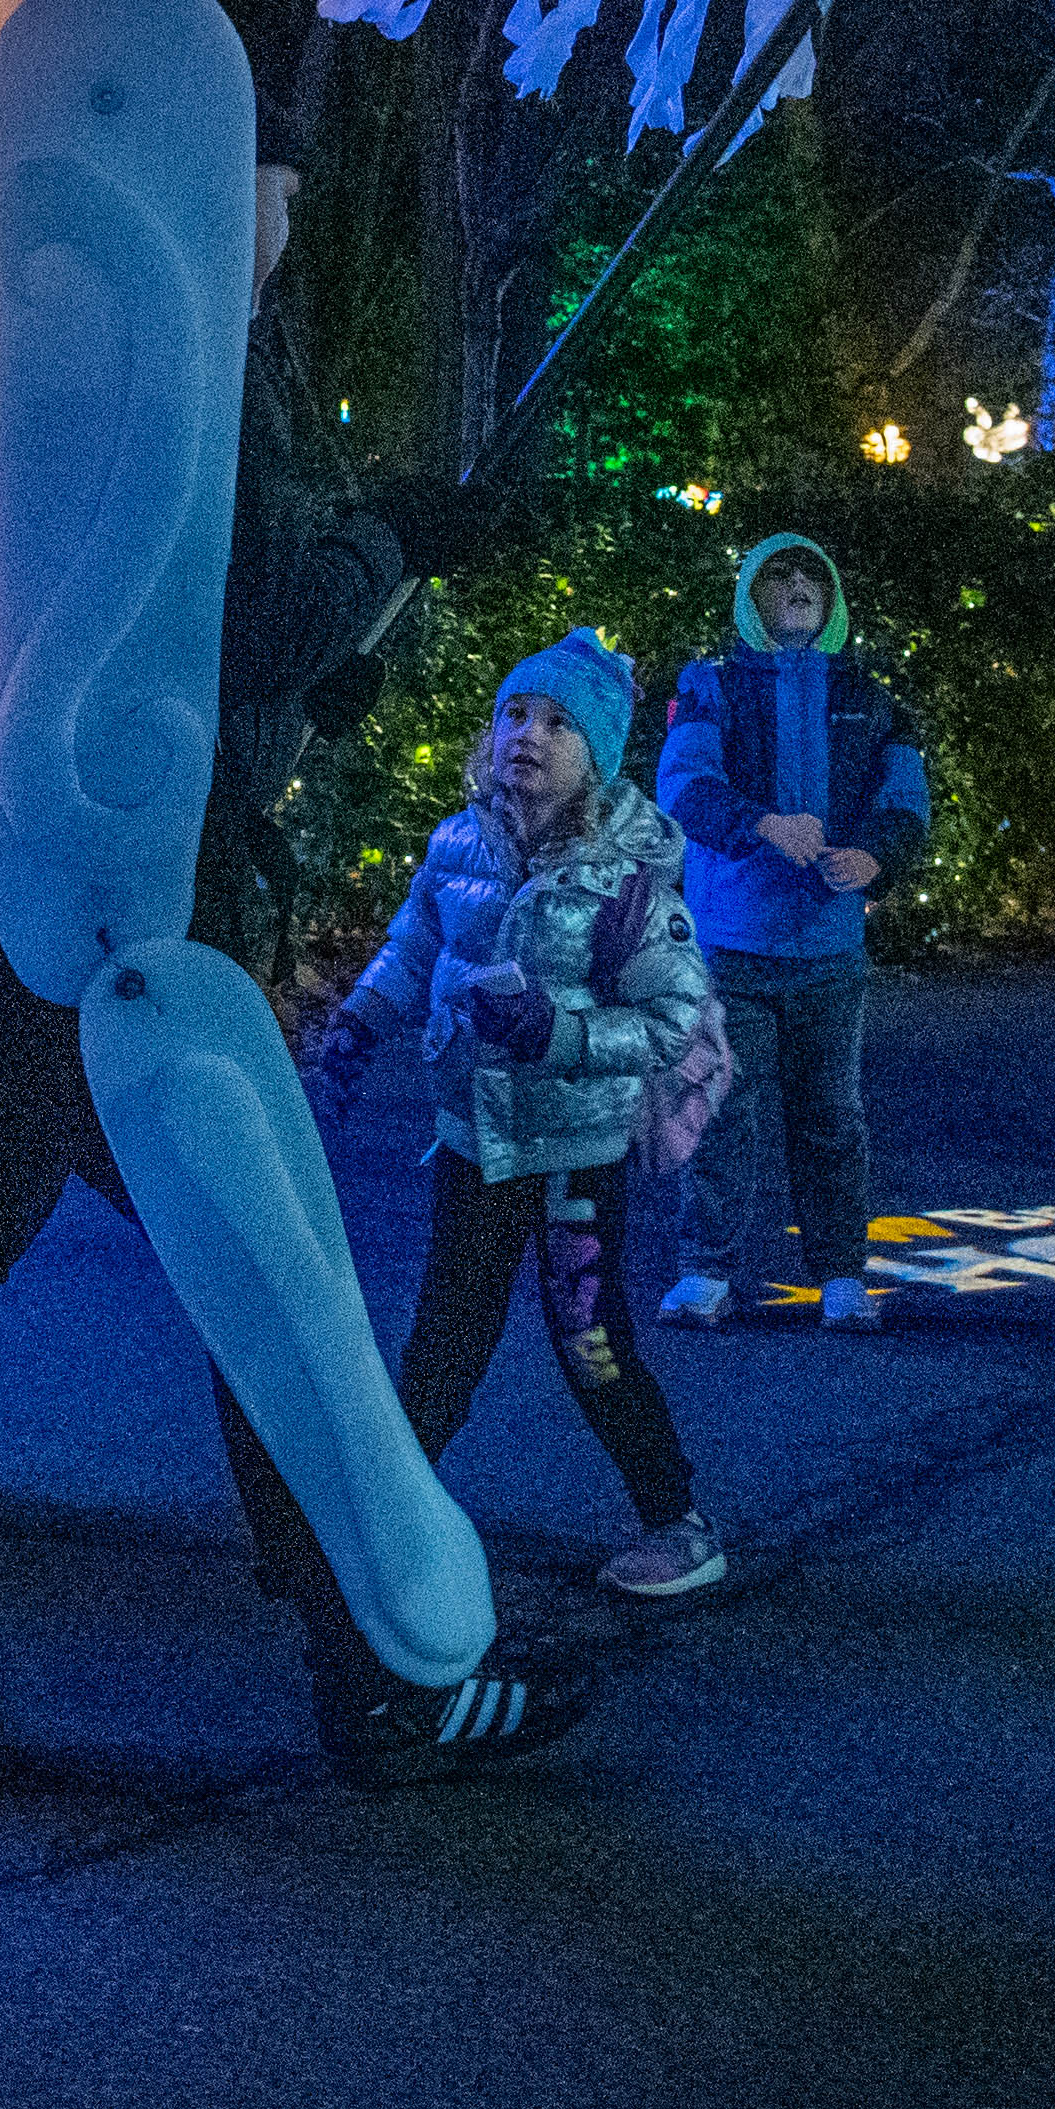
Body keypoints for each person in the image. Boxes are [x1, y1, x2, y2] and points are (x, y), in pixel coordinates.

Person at [0, 224, 592, 1784]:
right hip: (104, 892)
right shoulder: (149, 306)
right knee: (249, 1246)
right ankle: (387, 1660)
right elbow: (246, 604)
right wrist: (390, 537)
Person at [302, 637, 728, 1602]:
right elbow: (412, 950)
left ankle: (678, 1521)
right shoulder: (458, 845)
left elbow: (670, 1020)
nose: (526, 736)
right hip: (474, 1140)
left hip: (576, 1150)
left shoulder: (630, 880)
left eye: (558, 722)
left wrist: (554, 1029)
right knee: (445, 1334)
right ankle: (390, 1520)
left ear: (599, 754)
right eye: (513, 714)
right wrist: (362, 1018)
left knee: (587, 1336)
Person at [649, 533, 931, 1330]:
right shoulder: (711, 687)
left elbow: (906, 797)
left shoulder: (874, 696)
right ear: (752, 596)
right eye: (781, 574)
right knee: (721, 1110)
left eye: (814, 573)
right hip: (731, 944)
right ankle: (706, 1270)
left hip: (829, 952)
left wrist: (877, 854)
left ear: (834, 597)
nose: (801, 583)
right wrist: (763, 825)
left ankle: (840, 1273)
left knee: (831, 1117)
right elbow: (686, 786)